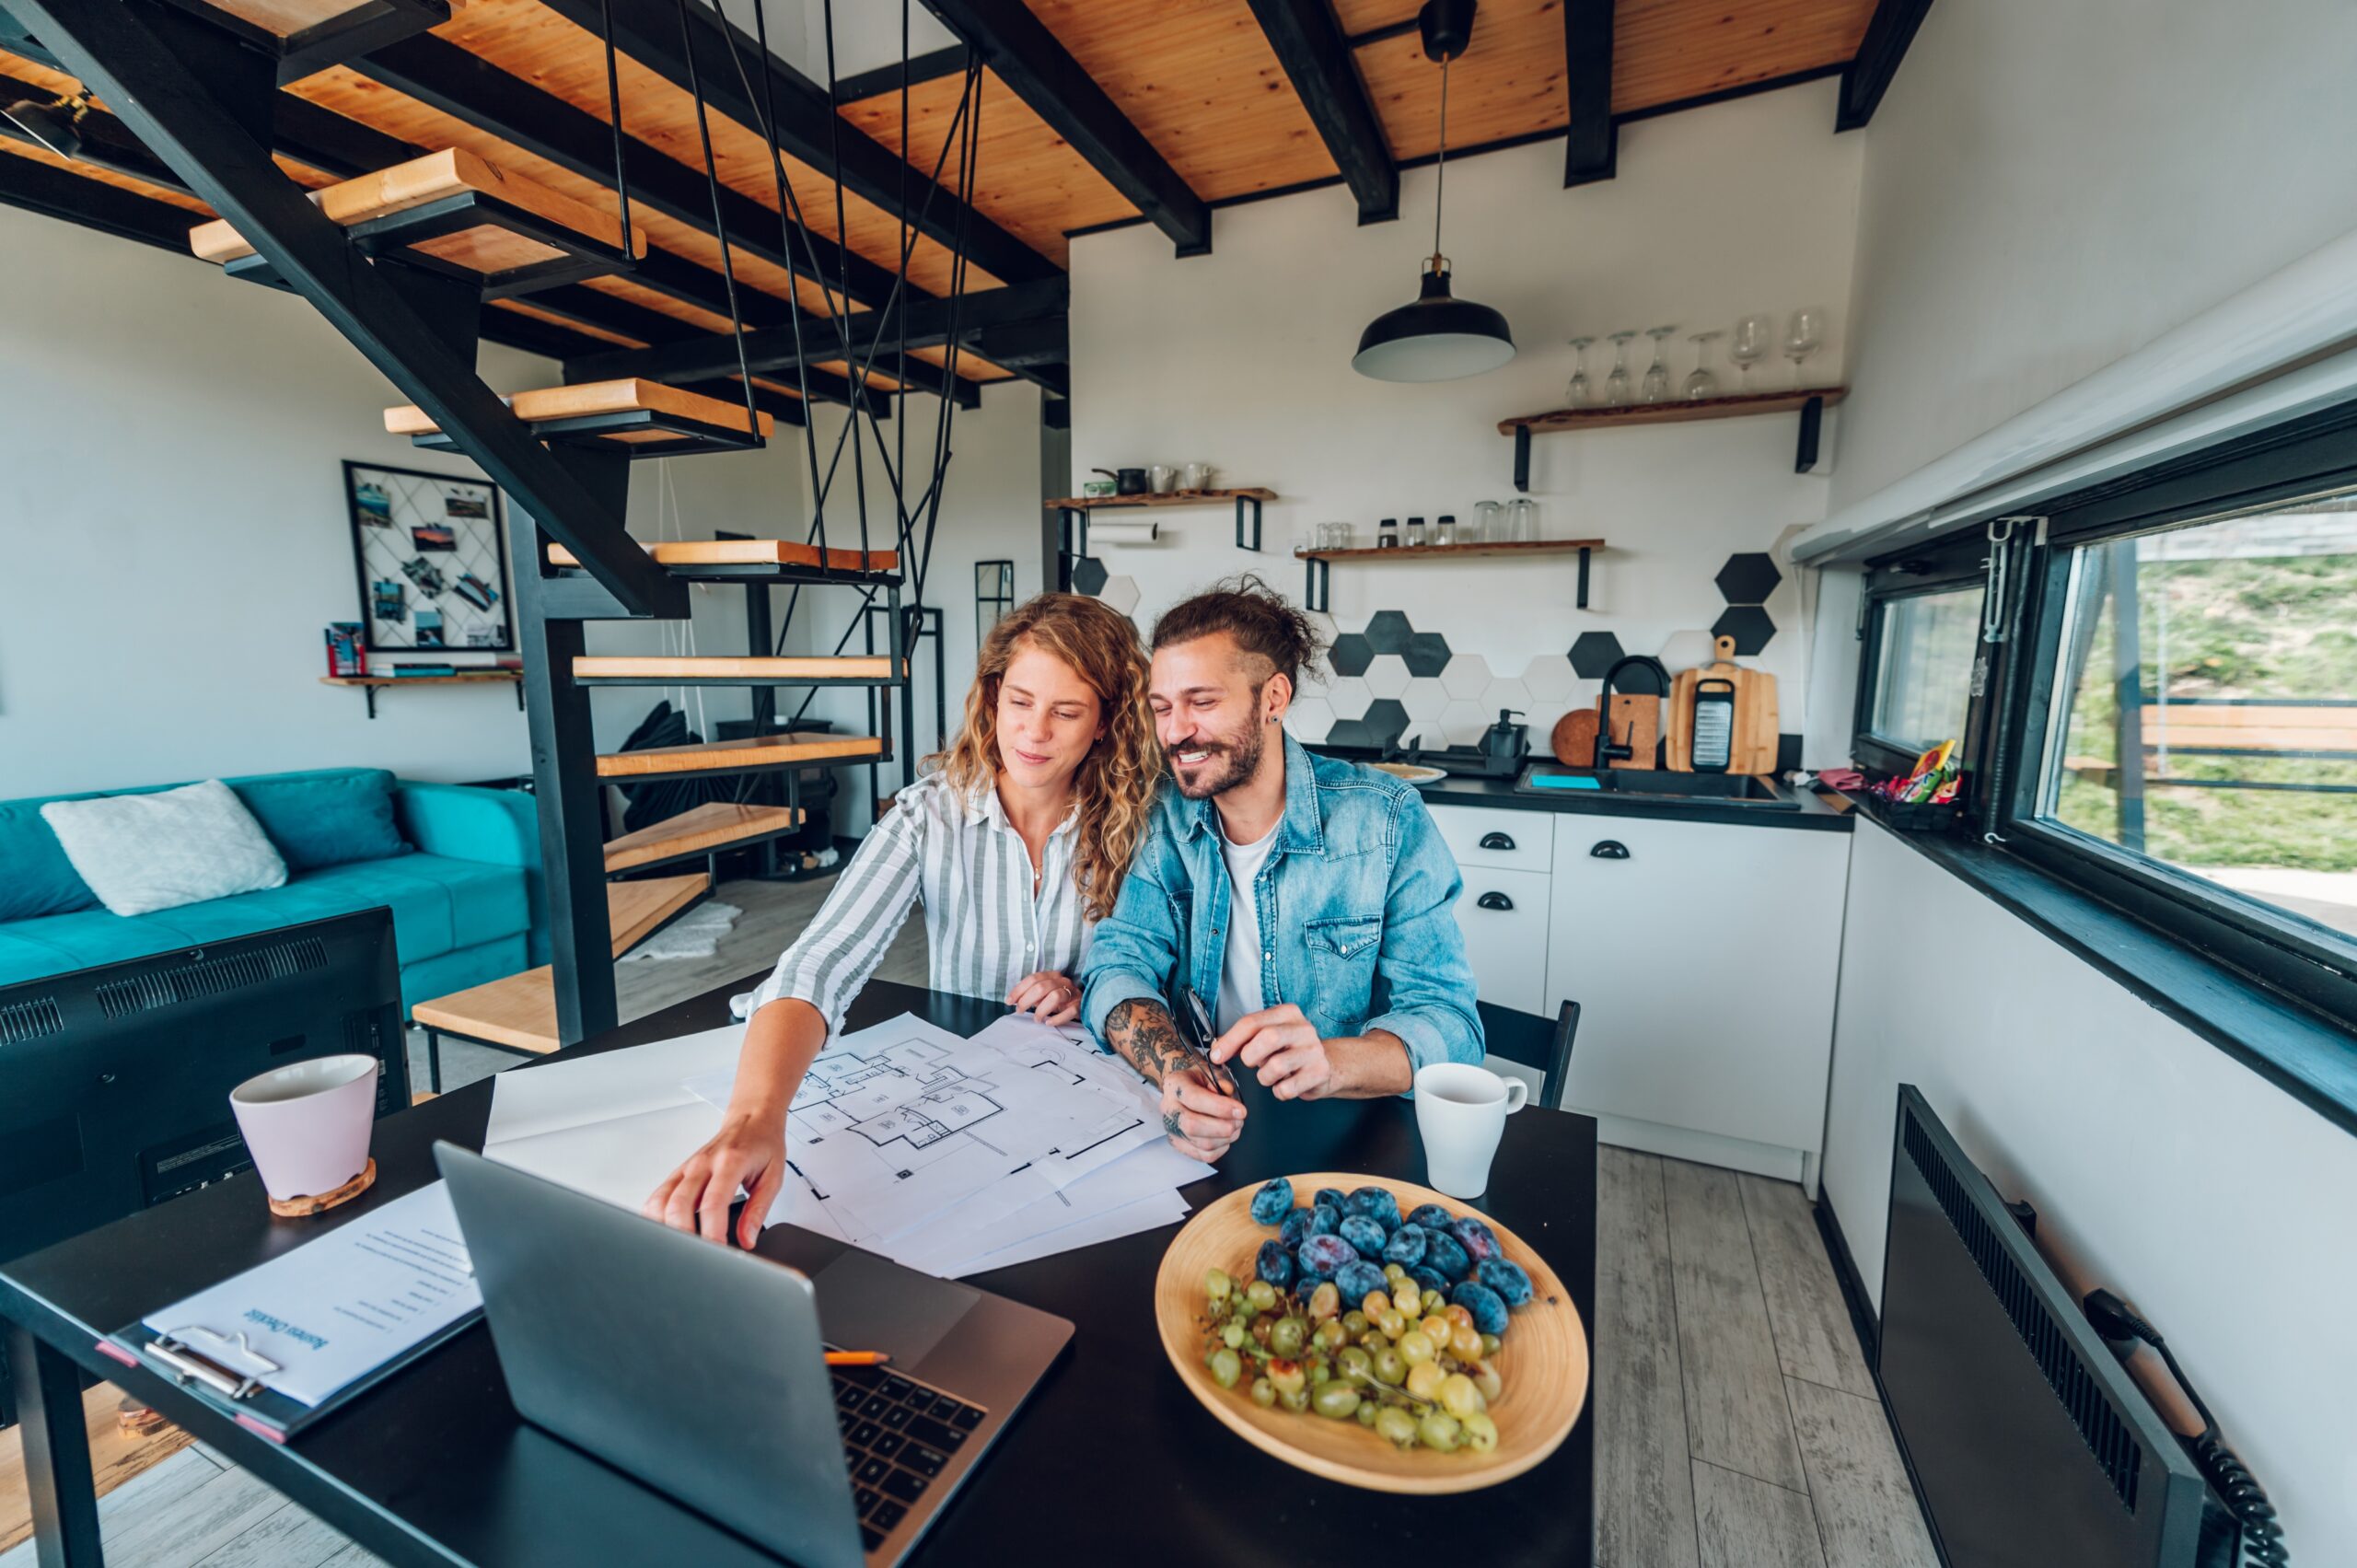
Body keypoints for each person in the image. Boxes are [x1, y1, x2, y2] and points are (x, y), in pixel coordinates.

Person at [648, 593, 1162, 1244]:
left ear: (1104, 722)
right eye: (1021, 702)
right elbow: (822, 958)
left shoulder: (1141, 820)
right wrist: (755, 1115)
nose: (1034, 732)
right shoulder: (927, 817)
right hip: (967, 1099)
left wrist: (1087, 990)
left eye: (1066, 712)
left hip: (1095, 1105)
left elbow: (1166, 968)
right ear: (994, 694)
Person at [1080, 576, 1482, 1165]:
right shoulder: (1165, 816)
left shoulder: (1386, 820)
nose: (1174, 731)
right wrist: (1176, 1068)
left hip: (1354, 1144)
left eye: (1203, 701)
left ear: (1273, 699)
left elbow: (1450, 1025)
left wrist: (1333, 1061)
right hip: (1215, 1138)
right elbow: (1119, 963)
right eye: (1163, 707)